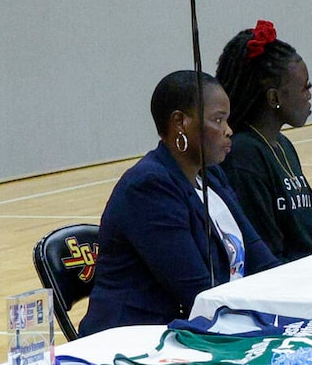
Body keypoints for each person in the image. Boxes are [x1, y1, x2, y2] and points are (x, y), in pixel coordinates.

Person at [85, 69, 281, 333]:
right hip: (135, 341)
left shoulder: (211, 175)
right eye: (218, 120)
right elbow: (197, 293)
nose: (228, 131)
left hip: (202, 325)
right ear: (180, 122)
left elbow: (262, 262)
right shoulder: (148, 187)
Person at [211, 21, 312, 263]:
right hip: (285, 286)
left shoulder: (282, 146)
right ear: (274, 97)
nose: (309, 94)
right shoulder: (243, 156)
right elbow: (265, 257)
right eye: (304, 87)